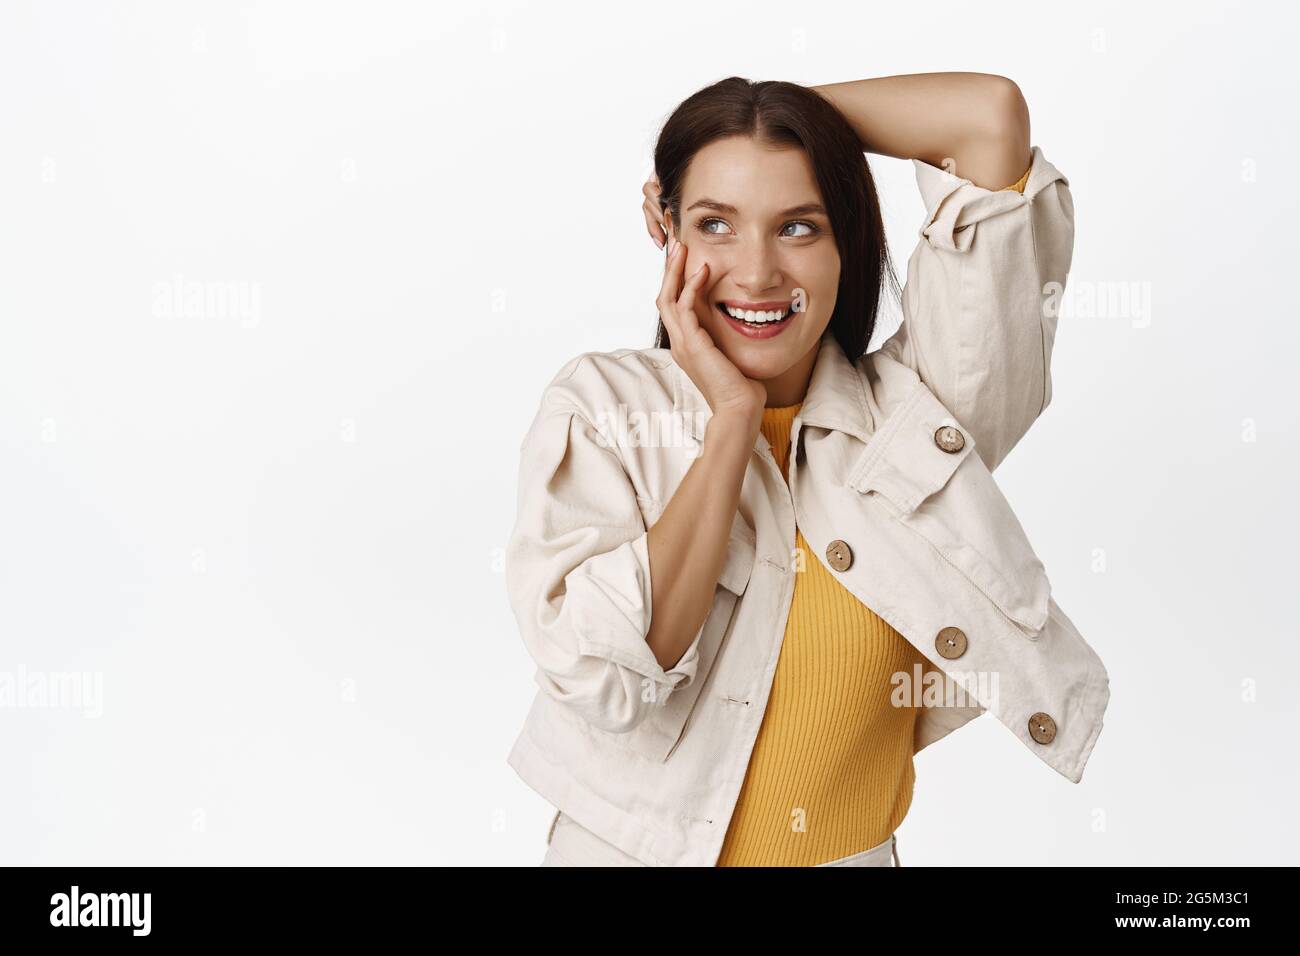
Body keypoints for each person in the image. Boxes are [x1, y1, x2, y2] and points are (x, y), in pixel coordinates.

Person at [505, 73, 1108, 867]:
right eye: (716, 223)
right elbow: (609, 679)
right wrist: (731, 423)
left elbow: (988, 119)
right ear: (666, 229)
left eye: (798, 227)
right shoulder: (605, 411)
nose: (756, 274)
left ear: (847, 240)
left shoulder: (917, 417)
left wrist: (769, 112)